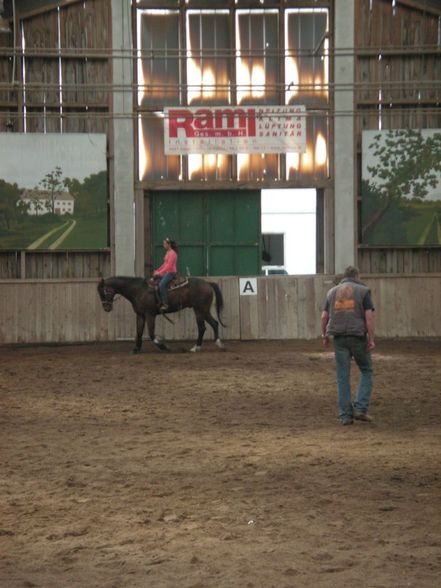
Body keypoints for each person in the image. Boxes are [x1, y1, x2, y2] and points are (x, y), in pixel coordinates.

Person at [321, 265, 375, 425]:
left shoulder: (331, 292)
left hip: (338, 338)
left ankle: (345, 416)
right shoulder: (363, 291)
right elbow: (369, 317)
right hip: (357, 336)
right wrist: (371, 338)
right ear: (357, 276)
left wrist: (324, 335)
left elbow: (324, 317)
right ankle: (360, 408)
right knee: (366, 370)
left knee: (342, 376)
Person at [153, 238, 178, 311]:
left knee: (161, 285)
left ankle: (165, 303)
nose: (163, 245)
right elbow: (164, 264)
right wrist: (157, 270)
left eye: (164, 244)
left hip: (171, 273)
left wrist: (159, 273)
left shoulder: (173, 253)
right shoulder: (168, 252)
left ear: (169, 244)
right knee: (154, 280)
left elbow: (169, 266)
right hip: (167, 272)